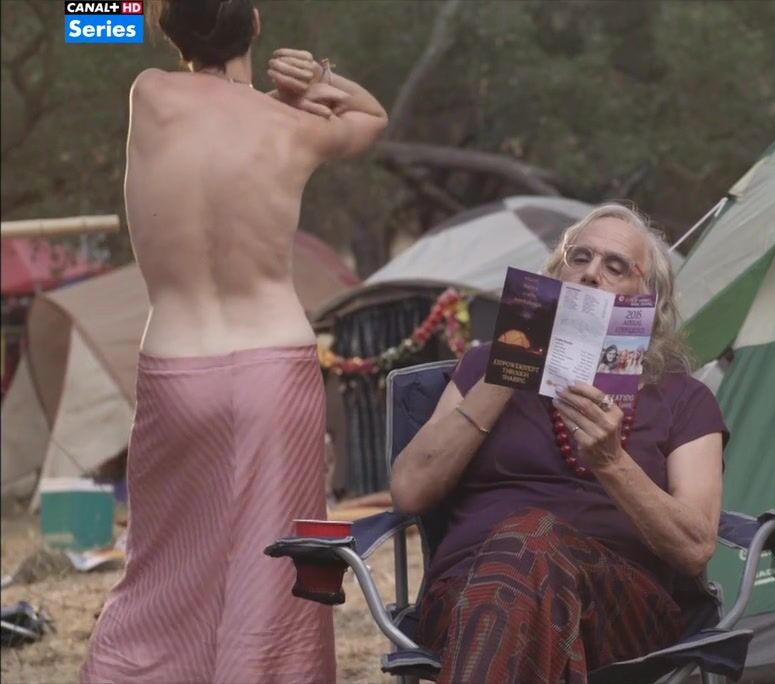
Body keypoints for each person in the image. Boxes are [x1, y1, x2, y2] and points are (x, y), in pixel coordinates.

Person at [81, 1, 387, 682]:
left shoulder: (149, 94)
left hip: (178, 366)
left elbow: (90, 18)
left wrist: (135, 11)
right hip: (275, 369)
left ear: (170, 28)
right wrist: (317, 81)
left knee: (161, 564)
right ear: (254, 23)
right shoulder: (293, 125)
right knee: (279, 574)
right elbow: (372, 117)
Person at [390, 203, 726, 684]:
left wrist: (612, 463)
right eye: (579, 257)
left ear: (648, 300)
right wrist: (508, 373)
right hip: (468, 594)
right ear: (555, 274)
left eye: (615, 267)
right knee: (523, 553)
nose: (590, 273)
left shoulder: (683, 399)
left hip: (620, 609)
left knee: (533, 537)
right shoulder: (485, 368)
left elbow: (694, 548)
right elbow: (409, 490)